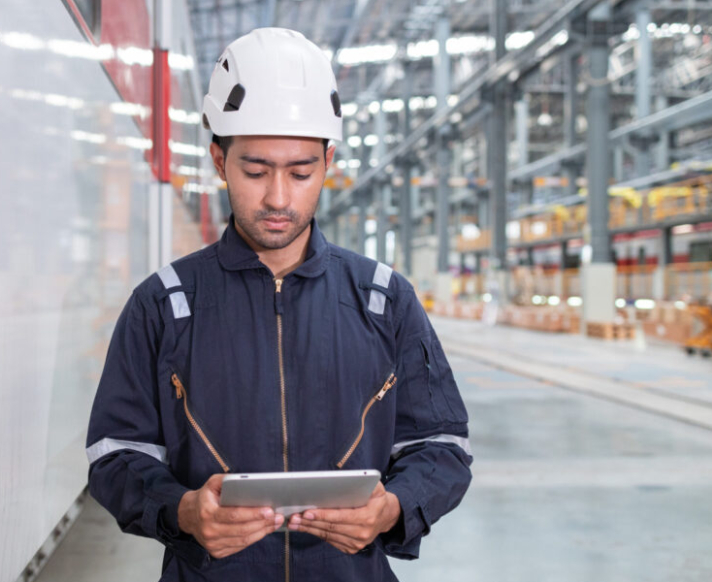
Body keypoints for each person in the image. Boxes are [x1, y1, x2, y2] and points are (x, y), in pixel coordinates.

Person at [86, 27, 473, 582]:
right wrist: (182, 510)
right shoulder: (164, 305)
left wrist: (392, 507)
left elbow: (441, 443)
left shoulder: (384, 301)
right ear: (219, 159)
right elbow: (114, 452)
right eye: (255, 170)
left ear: (328, 160)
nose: (278, 198)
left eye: (300, 172)